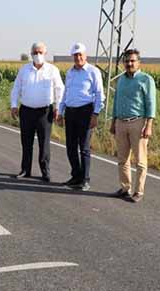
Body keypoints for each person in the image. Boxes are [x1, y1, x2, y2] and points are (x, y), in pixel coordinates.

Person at [10, 42, 65, 182]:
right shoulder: (24, 70)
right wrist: (14, 105)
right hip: (26, 110)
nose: (38, 55)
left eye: (40, 52)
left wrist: (58, 107)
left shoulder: (52, 70)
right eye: (35, 52)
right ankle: (25, 170)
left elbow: (59, 90)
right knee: (26, 142)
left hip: (44, 112)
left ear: (45, 54)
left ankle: (45, 172)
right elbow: (16, 87)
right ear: (31, 54)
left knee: (44, 143)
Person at [109, 49, 157, 203]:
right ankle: (125, 188)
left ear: (138, 62)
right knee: (122, 159)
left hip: (138, 122)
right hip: (121, 123)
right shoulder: (121, 80)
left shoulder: (146, 79)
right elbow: (116, 101)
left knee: (140, 160)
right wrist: (113, 122)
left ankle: (138, 191)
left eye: (132, 61)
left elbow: (151, 103)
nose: (129, 63)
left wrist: (148, 124)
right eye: (127, 61)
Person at [57, 43, 104, 191]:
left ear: (85, 55)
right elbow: (65, 93)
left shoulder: (93, 71)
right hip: (70, 111)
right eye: (75, 55)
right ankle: (75, 176)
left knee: (83, 147)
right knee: (70, 146)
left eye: (80, 55)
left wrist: (95, 114)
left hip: (86, 111)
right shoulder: (70, 72)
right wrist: (60, 111)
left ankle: (85, 179)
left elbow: (99, 94)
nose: (78, 57)